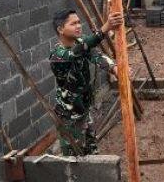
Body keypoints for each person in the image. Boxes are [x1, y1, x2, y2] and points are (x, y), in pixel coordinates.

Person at [50, 9, 121, 156]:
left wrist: (114, 68)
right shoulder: (57, 55)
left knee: (91, 151)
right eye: (73, 23)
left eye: (79, 22)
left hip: (83, 109)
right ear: (60, 29)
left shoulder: (80, 42)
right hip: (69, 117)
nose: (78, 26)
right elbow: (77, 52)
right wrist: (105, 29)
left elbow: (95, 54)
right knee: (74, 158)